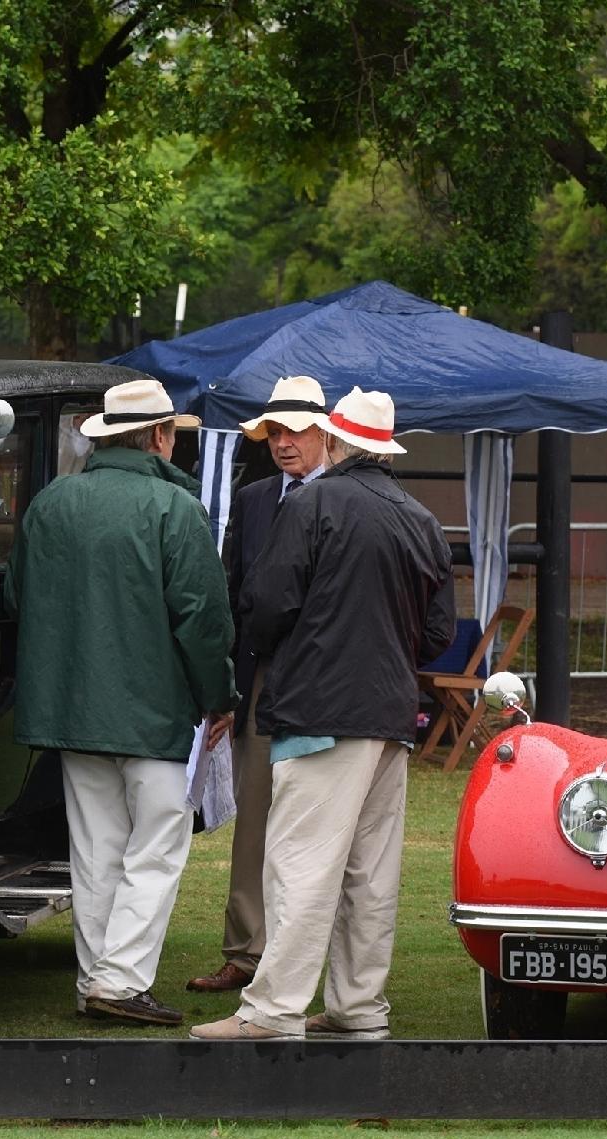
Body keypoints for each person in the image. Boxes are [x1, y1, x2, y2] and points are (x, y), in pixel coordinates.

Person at [191, 387, 454, 1042]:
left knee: (299, 864)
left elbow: (268, 602)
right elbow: (439, 633)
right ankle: (358, 1007)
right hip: (391, 716)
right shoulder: (419, 517)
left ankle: (273, 1010)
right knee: (370, 873)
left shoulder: (312, 502)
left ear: (333, 440)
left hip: (318, 710)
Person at [5, 377, 236, 1027]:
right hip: (154, 709)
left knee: (96, 850)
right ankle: (120, 980)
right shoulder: (173, 508)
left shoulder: (52, 502)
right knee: (155, 848)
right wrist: (219, 696)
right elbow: (202, 618)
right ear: (161, 437)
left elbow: (17, 597)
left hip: (73, 707)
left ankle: (97, 979)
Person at [187, 375, 332, 996]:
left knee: (316, 825)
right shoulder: (251, 500)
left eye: (295, 428)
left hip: (324, 679)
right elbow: (232, 595)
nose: (283, 441)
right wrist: (227, 688)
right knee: (253, 823)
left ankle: (298, 959)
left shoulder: (345, 498)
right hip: (260, 677)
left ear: (325, 432)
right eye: (275, 430)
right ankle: (246, 953)